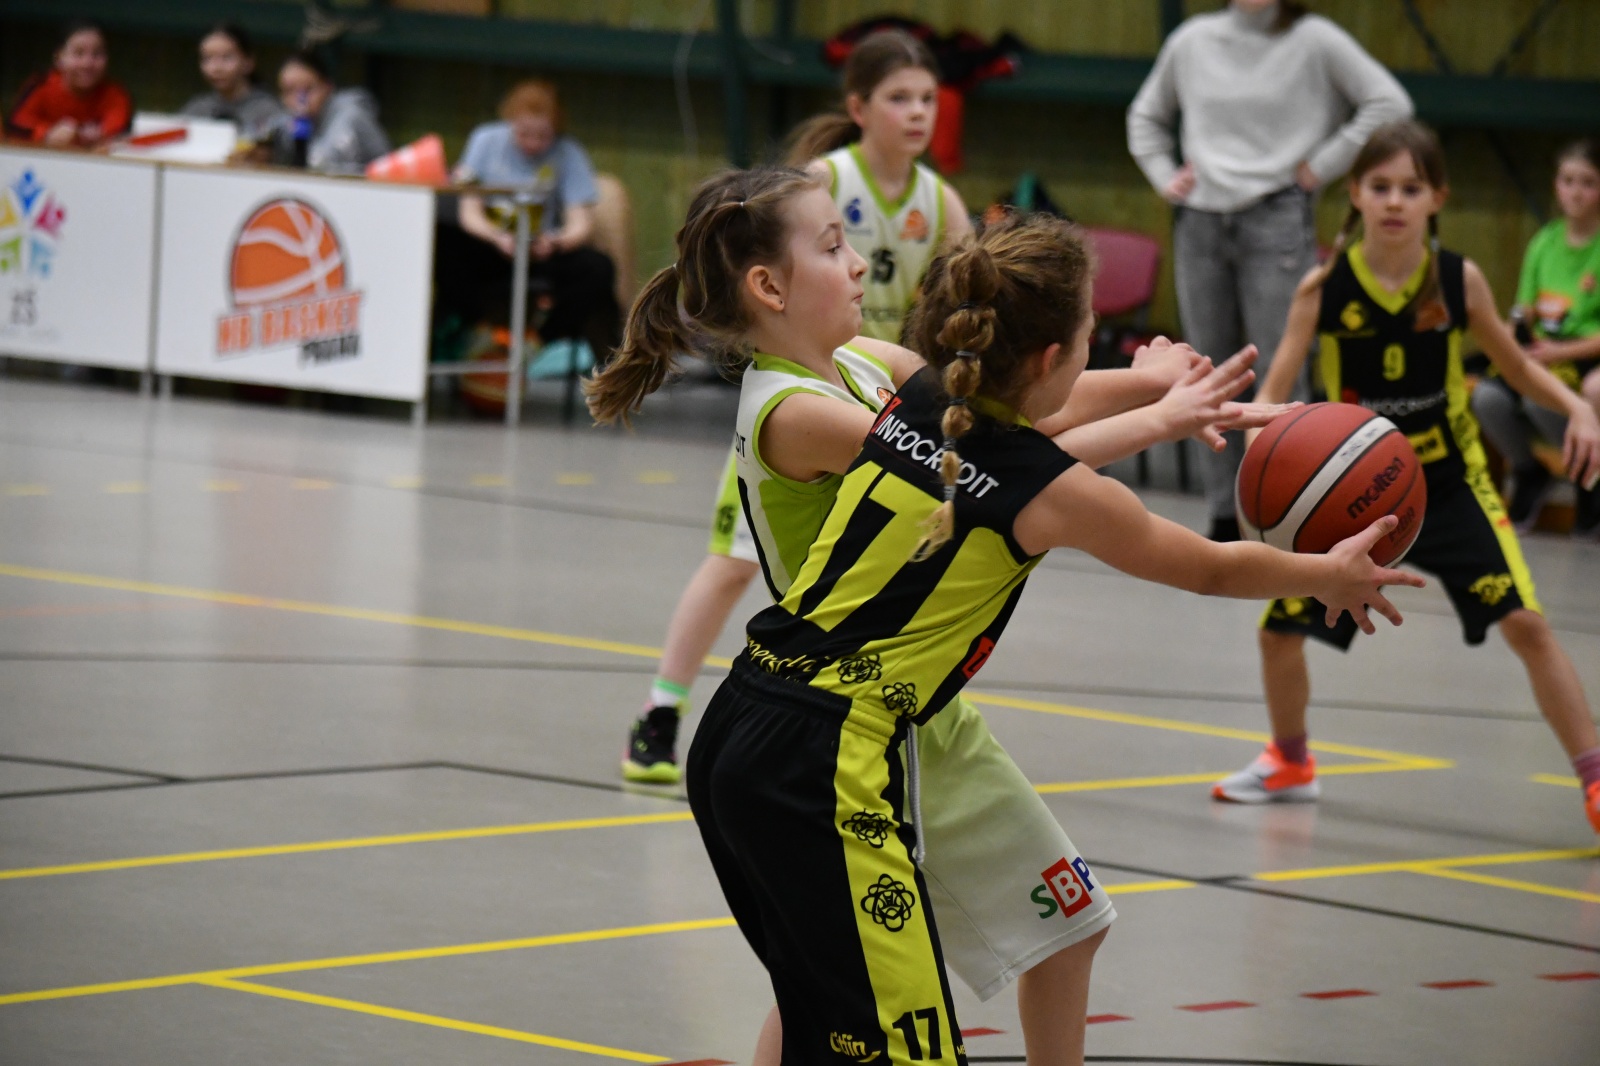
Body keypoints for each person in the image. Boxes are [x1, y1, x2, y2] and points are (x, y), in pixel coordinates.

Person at [589, 166, 1415, 1066]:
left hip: (842, 709)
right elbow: (1016, 471)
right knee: (862, 1009)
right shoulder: (801, 411)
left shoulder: (889, 377)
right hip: (844, 732)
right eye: (833, 245)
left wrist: (1153, 393)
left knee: (1000, 942)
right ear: (768, 286)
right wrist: (1310, 560)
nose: (859, 262)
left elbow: (1002, 430)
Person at [1211, 121, 1600, 836]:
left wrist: (1577, 406)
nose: (1395, 201)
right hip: (1349, 501)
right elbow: (1276, 392)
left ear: (1436, 198)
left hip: (1446, 481)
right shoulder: (1324, 288)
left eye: (1411, 188)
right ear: (1355, 195)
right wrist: (1253, 447)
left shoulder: (1458, 280)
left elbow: (1515, 367)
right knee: (1278, 634)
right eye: (1380, 186)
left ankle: (1596, 780)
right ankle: (1290, 762)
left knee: (1527, 623)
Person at [623, 29, 972, 783]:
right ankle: (661, 710)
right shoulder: (822, 183)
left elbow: (968, 296)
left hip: (870, 382)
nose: (917, 112)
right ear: (859, 108)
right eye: (899, 98)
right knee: (731, 566)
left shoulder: (938, 200)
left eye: (927, 99)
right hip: (813, 397)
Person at [1127, 0, 1413, 542]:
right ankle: (1222, 515)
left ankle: (1286, 514)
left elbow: (1389, 103)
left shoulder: (1314, 39)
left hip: (1276, 215)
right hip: (1200, 220)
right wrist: (1164, 174)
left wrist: (1321, 166)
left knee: (1281, 369)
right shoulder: (1193, 39)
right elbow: (1144, 117)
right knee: (1204, 371)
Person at [433, 80, 619, 367]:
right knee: (446, 243)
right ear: (511, 122)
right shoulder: (485, 141)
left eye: (542, 136)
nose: (533, 144)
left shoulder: (569, 153)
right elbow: (469, 214)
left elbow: (581, 223)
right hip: (492, 248)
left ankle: (541, 340)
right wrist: (497, 238)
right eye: (524, 134)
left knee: (598, 268)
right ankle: (476, 328)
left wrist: (556, 242)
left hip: (540, 250)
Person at [1471, 138, 1600, 536]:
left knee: (1552, 396)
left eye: (1587, 182)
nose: (1575, 192)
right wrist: (1508, 345)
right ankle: (1529, 472)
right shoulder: (1544, 241)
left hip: (1583, 355)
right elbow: (1521, 312)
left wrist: (1558, 352)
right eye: (1567, 181)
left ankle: (1586, 475)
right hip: (1541, 354)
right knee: (1486, 396)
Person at [4, 20, 131, 149]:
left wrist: (98, 135)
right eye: (78, 53)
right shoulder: (40, 86)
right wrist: (47, 133)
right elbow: (16, 125)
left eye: (97, 54)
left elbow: (121, 132)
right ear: (59, 58)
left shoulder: (115, 94)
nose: (87, 64)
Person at [271, 51, 389, 175]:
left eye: (308, 89)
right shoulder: (291, 120)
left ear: (327, 86)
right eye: (289, 91)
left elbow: (322, 162)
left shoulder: (350, 115)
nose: (300, 100)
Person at [180, 23, 286, 148]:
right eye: (207, 59)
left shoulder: (268, 110)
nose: (216, 68)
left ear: (248, 62)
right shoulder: (197, 109)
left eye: (227, 58)